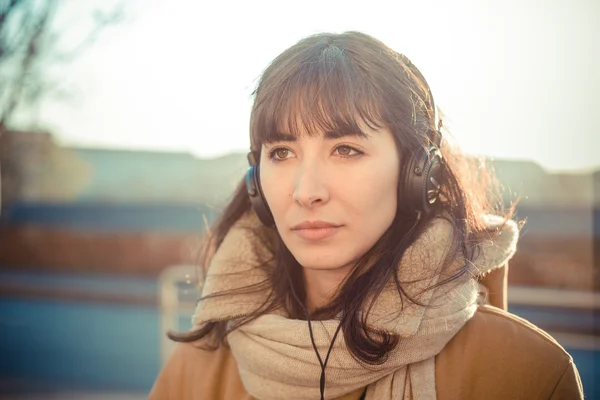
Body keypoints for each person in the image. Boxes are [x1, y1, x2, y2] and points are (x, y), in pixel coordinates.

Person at [149, 32, 583, 400]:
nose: (306, 192)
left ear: (418, 174)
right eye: (281, 152)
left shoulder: (523, 372)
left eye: (346, 150)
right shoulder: (196, 370)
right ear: (255, 182)